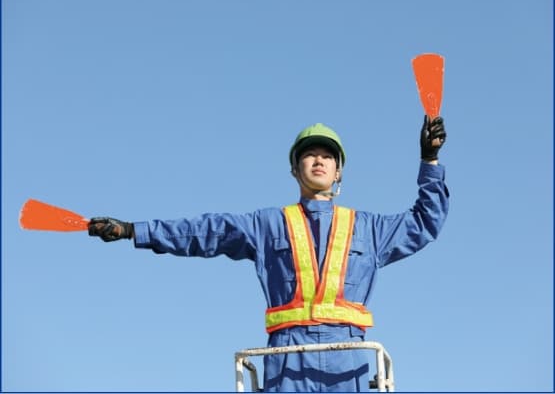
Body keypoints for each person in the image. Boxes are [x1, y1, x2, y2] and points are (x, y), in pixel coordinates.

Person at [89, 116, 449, 392]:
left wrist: (430, 160)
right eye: (309, 154)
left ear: (338, 171)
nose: (319, 160)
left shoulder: (369, 228)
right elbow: (207, 231)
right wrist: (133, 230)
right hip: (287, 358)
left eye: (327, 155)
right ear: (295, 169)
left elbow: (425, 222)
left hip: (348, 358)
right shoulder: (266, 225)